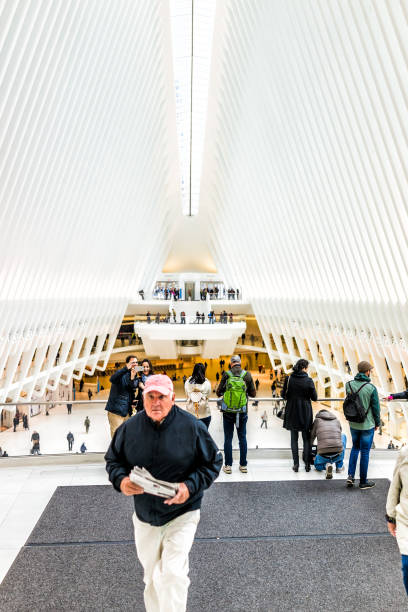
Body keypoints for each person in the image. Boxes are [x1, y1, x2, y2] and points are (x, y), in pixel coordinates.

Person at [105, 375, 222, 612]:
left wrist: (189, 486)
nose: (156, 402)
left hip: (182, 513)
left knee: (173, 574)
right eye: (151, 396)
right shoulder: (130, 428)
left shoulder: (192, 427)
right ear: (144, 397)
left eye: (161, 397)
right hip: (145, 517)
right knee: (151, 578)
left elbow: (213, 462)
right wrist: (122, 481)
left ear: (172, 398)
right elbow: (113, 461)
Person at [216, 355, 256, 474]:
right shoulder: (246, 375)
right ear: (240, 362)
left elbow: (218, 392)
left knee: (228, 438)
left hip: (228, 412)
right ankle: (243, 465)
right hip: (242, 412)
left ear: (231, 363)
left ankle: (228, 466)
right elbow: (253, 394)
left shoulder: (227, 374)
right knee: (242, 438)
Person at [346, 361, 380, 490]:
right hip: (367, 425)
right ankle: (363, 482)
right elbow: (376, 408)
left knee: (355, 448)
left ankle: (350, 476)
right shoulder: (371, 388)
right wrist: (377, 423)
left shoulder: (348, 385)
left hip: (353, 423)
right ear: (367, 372)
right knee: (365, 452)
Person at [282, 359, 317, 473]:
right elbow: (315, 398)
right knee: (306, 439)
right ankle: (307, 465)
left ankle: (296, 465)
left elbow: (283, 395)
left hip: (292, 411)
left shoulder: (289, 378)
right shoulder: (308, 380)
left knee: (294, 439)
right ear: (304, 368)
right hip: (305, 412)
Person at [386, 446, 408, 595]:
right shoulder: (405, 453)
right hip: (406, 519)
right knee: (407, 566)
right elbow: (395, 486)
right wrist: (391, 516)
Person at [105, 356, 140, 438]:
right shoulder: (121, 374)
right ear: (127, 364)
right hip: (116, 411)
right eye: (132, 362)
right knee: (116, 436)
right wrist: (126, 368)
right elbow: (112, 379)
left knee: (126, 436)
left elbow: (131, 391)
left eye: (136, 362)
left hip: (126, 411)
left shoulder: (133, 375)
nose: (135, 364)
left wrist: (133, 402)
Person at [311, 409, 347, 479]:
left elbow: (312, 437)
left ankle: (326, 466)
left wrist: (312, 450)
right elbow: (339, 433)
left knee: (317, 466)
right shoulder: (337, 420)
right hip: (338, 455)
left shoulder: (317, 421)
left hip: (323, 455)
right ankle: (339, 466)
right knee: (343, 436)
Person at [184, 363, 212, 429]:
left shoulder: (187, 383)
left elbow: (187, 394)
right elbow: (208, 395)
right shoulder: (207, 383)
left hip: (190, 414)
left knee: (192, 436)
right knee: (204, 436)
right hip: (205, 414)